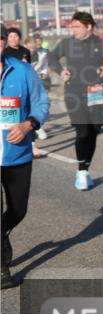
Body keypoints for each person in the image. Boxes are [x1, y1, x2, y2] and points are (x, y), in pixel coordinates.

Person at [48, 11, 103, 191]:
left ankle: (85, 168)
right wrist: (61, 71)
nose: (73, 30)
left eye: (77, 27)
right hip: (74, 93)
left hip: (95, 93)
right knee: (82, 132)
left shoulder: (101, 43)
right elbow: (51, 57)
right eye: (72, 26)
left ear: (88, 27)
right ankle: (81, 172)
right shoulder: (66, 44)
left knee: (93, 131)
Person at [1, 25, 50, 289]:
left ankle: (2, 231)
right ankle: (2, 271)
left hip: (17, 152)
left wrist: (28, 125)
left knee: (18, 210)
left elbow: (41, 102)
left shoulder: (22, 70)